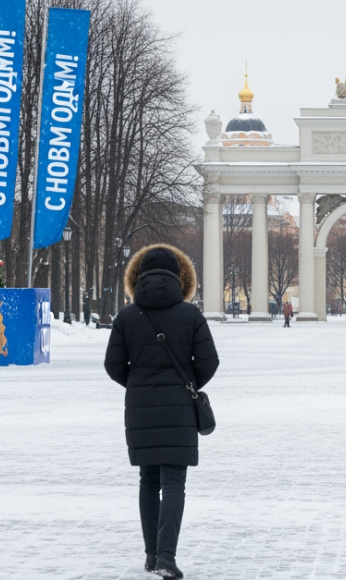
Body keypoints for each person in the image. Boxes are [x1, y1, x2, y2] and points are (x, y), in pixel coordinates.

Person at [105, 244, 220, 579]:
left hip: (139, 408)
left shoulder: (126, 316)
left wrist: (138, 384)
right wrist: (187, 383)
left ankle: (151, 555)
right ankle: (167, 557)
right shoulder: (191, 315)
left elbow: (113, 365)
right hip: (180, 408)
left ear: (137, 277)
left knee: (147, 479)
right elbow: (210, 361)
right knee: (173, 481)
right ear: (180, 277)